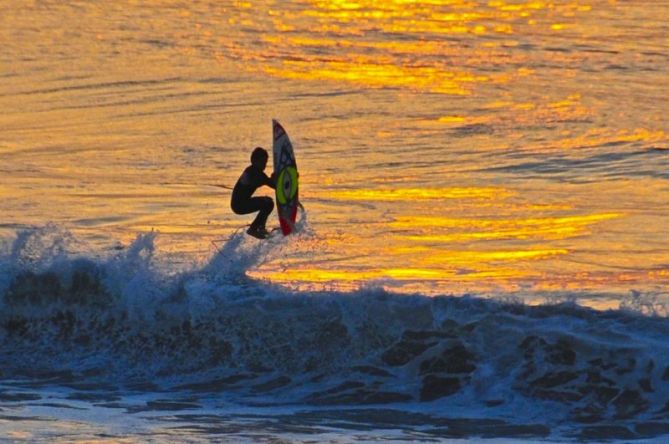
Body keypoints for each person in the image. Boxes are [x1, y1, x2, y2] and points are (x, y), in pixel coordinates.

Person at [231, 147, 276, 239]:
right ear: (253, 160)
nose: (264, 165)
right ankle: (254, 228)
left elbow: (269, 182)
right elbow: (274, 185)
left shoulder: (251, 170)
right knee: (268, 203)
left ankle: (260, 227)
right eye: (262, 162)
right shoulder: (255, 173)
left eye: (265, 162)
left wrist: (273, 178)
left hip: (239, 203)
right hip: (239, 205)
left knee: (267, 201)